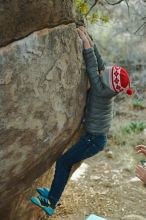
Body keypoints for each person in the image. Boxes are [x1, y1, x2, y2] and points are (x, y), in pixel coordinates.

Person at [31, 27, 133, 216]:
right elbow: (101, 65)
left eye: (106, 74)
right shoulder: (107, 85)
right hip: (94, 138)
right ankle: (53, 193)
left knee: (63, 162)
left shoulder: (101, 90)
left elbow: (93, 68)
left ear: (107, 82)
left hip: (93, 140)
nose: (103, 72)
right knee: (64, 162)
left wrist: (85, 44)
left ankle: (51, 203)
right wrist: (90, 40)